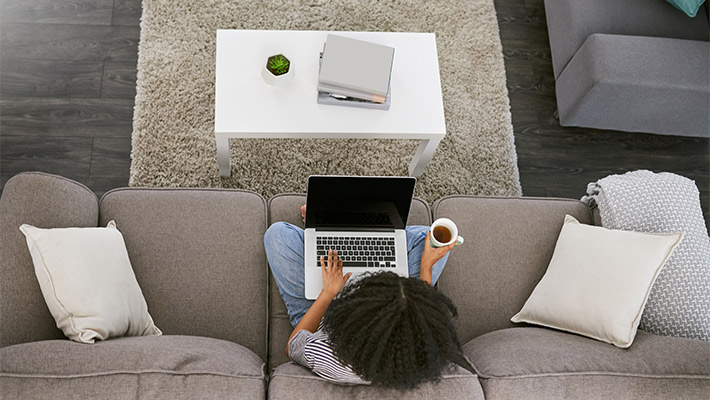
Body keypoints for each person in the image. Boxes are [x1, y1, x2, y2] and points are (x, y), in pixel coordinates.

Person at [263, 205, 472, 389]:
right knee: (431, 239)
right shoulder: (425, 348)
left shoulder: (327, 355)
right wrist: (426, 267)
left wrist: (328, 293)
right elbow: (421, 315)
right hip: (380, 318)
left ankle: (343, 225)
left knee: (277, 235)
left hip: (320, 322)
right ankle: (364, 228)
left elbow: (294, 346)